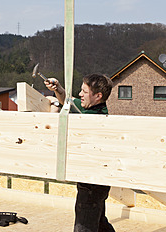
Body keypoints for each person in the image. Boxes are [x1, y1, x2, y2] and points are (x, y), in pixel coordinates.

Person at [45, 73, 115, 232]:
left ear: (98, 96)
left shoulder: (94, 116)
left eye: (84, 91)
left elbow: (57, 125)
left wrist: (55, 105)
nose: (80, 94)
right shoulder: (88, 108)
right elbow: (68, 101)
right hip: (95, 180)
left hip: (92, 183)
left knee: (84, 226)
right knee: (99, 221)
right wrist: (59, 89)